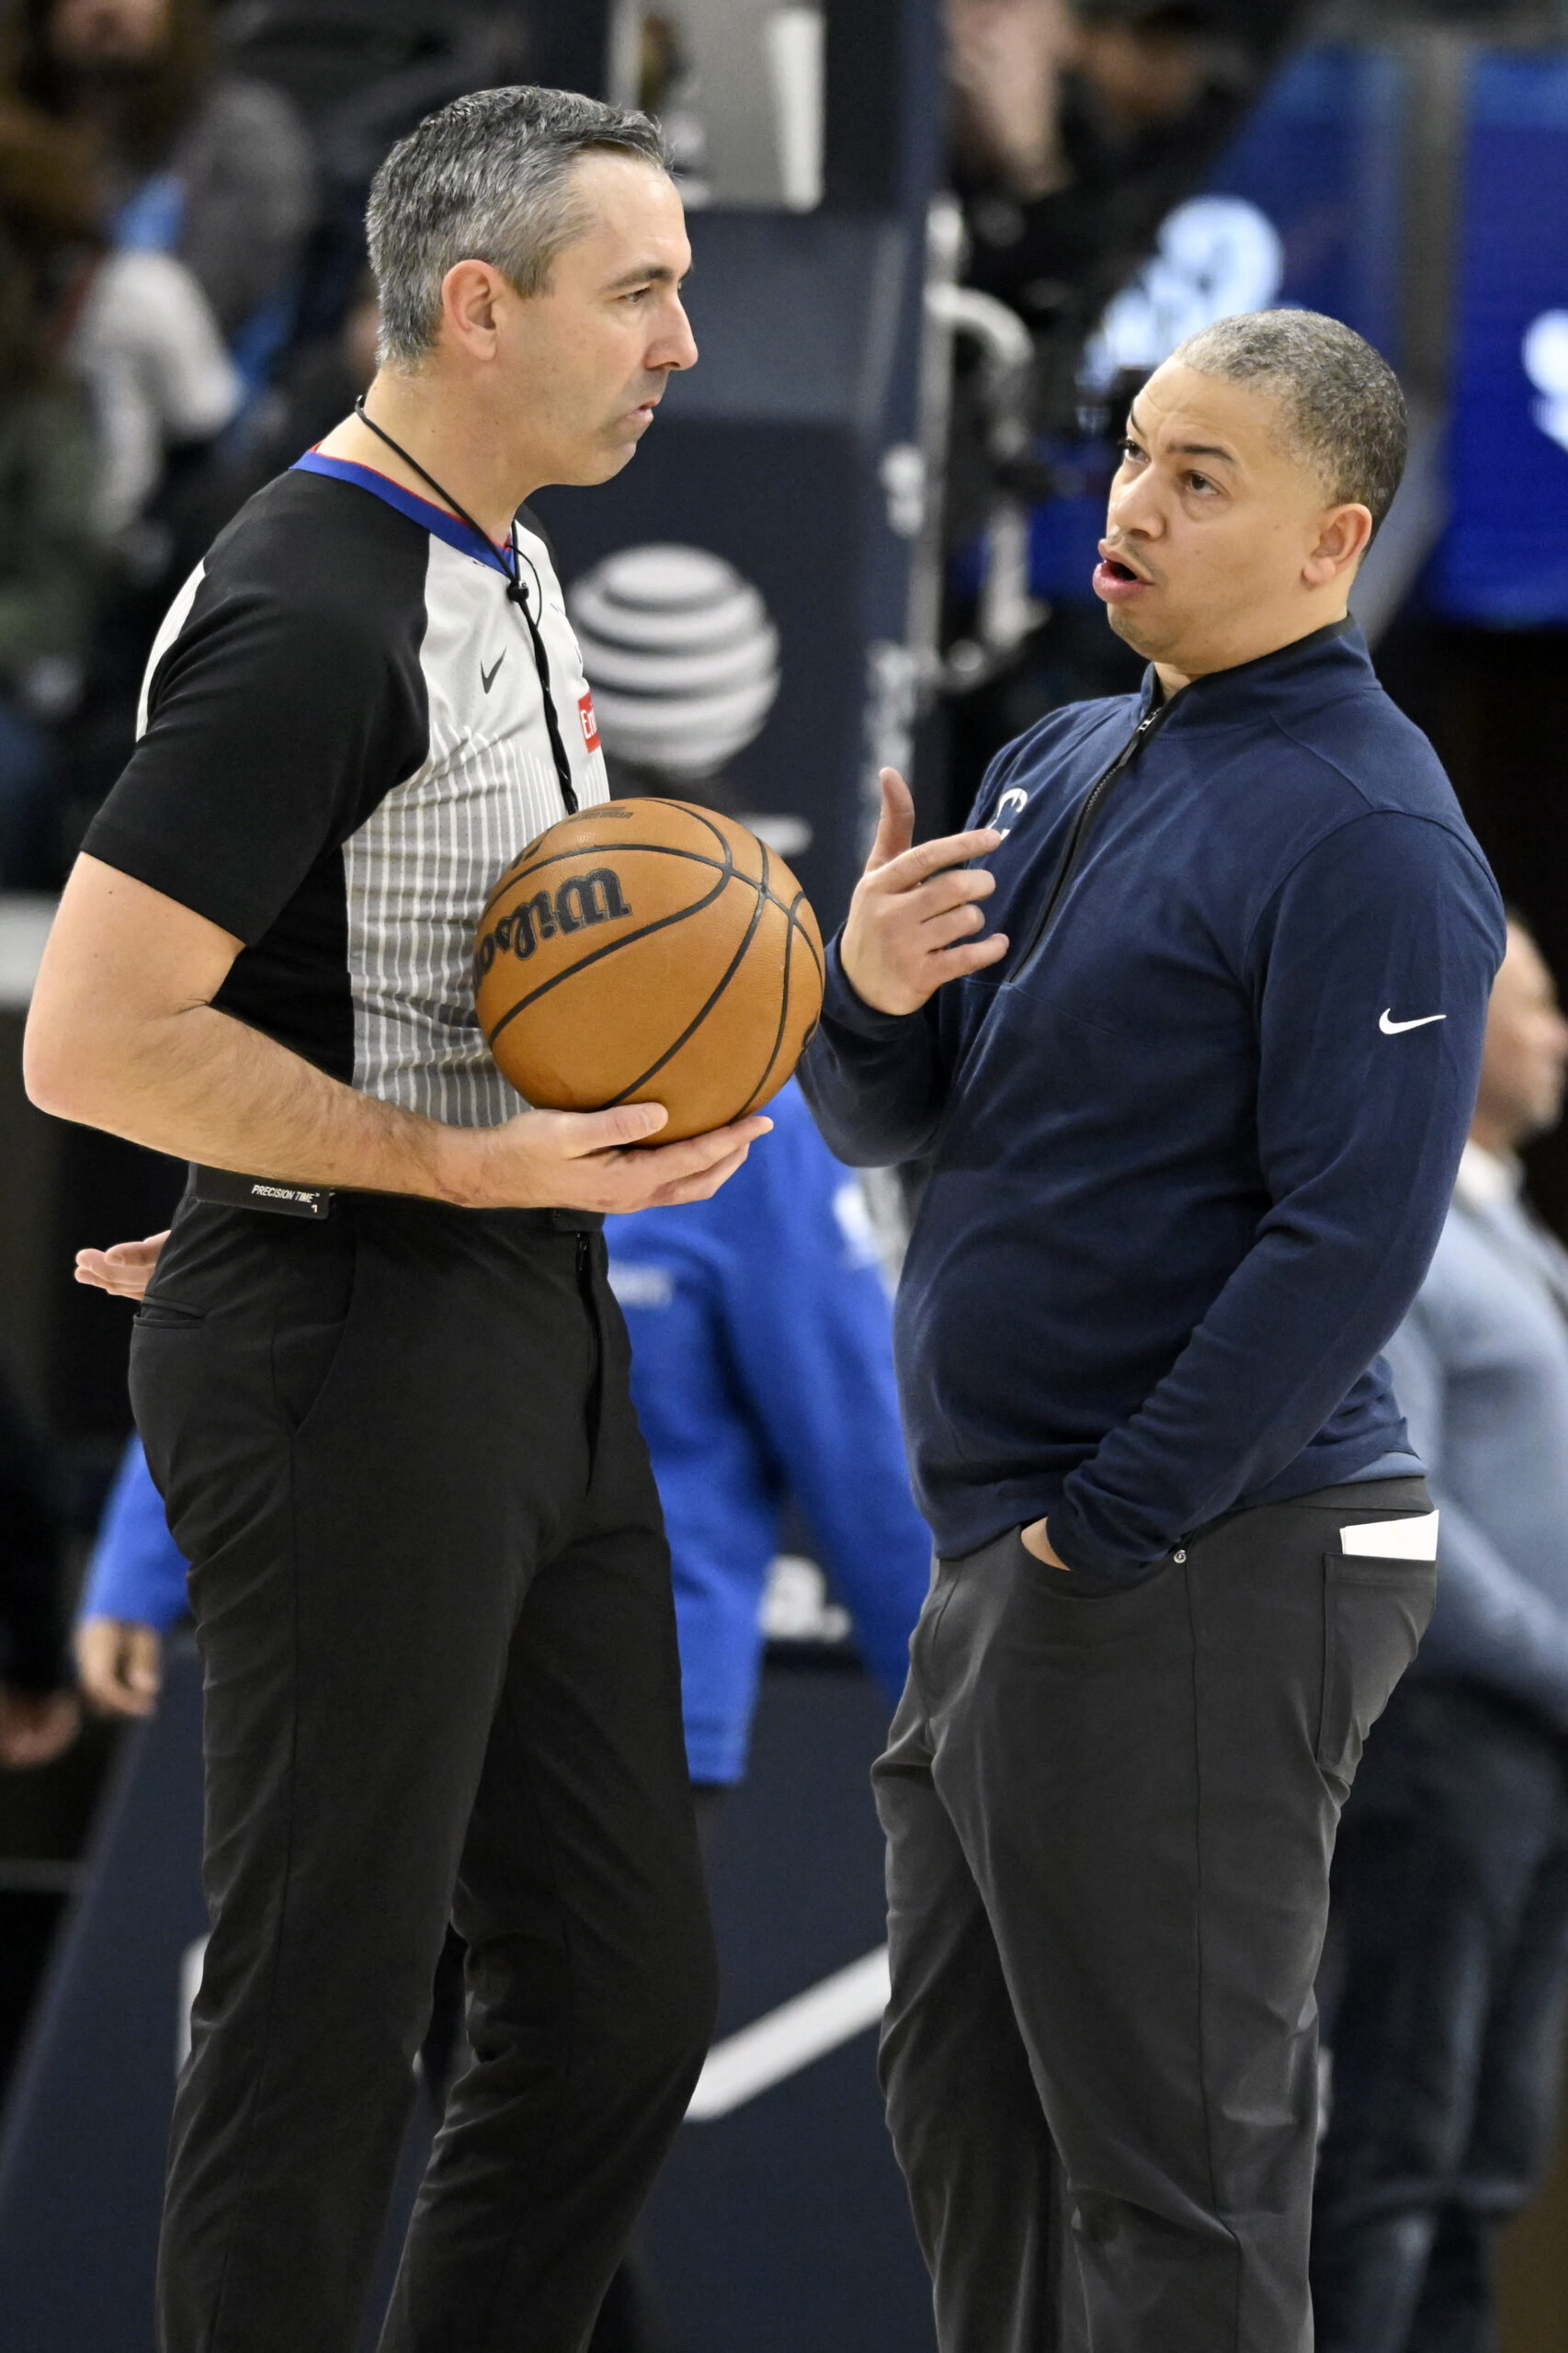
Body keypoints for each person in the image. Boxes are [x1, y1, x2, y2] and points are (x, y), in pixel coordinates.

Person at [26, 83, 772, 2353]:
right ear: (480, 303)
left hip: (502, 1320)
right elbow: (84, 1030)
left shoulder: (505, 553)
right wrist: (382, 1182)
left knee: (625, 2000)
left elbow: (319, 977)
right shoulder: (313, 603)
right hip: (370, 1334)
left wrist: (298, 1173)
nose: (683, 342)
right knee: (319, 2013)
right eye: (640, 290)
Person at [799, 308, 1506, 2352]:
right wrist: (861, 986)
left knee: (1175, 2183)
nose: (1132, 500)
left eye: (1201, 477)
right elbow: (893, 1121)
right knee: (974, 2144)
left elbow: (1347, 1237)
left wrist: (1108, 1521)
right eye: (1132, 452)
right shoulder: (1071, 746)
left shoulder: (1369, 829)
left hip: (1208, 1553)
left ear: (1330, 538)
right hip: (1016, 1553)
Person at [1312, 916, 1568, 2353]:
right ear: (1460, 1036)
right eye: (1534, 1007)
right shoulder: (1403, 1225)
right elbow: (1391, 1506)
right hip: (1446, 1741)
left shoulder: (1506, 1230)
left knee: (1482, 2161)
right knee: (1397, 2154)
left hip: (1527, 1752)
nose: (1556, 1037)